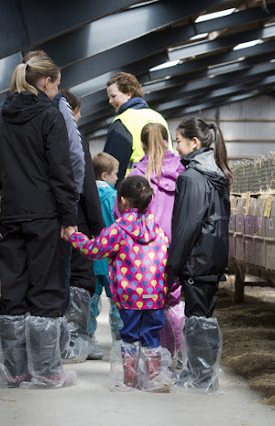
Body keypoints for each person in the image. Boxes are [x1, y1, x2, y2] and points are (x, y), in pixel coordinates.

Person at [0, 50, 77, 389]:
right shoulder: (49, 117)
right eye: (56, 86)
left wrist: (14, 189)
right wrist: (68, 216)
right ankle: (48, 371)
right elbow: (61, 172)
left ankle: (16, 371)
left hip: (11, 214)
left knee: (13, 289)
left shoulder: (0, 118)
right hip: (45, 215)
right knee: (46, 289)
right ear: (46, 81)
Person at [65, 176, 172, 392]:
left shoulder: (118, 230)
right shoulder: (158, 231)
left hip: (130, 296)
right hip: (154, 296)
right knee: (152, 336)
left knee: (130, 336)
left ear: (123, 201)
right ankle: (154, 380)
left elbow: (94, 250)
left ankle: (130, 381)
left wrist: (74, 237)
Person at [167, 117, 233, 394]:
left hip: (196, 260)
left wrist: (172, 267)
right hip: (210, 258)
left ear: (194, 142)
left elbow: (186, 228)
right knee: (200, 317)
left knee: (197, 319)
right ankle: (197, 373)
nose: (176, 147)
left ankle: (202, 379)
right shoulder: (215, 173)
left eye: (179, 141)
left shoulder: (192, 177)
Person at [118, 122, 185, 363]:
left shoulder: (136, 175)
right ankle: (178, 356)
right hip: (173, 247)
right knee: (173, 301)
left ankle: (154, 359)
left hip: (141, 252)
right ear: (168, 140)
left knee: (146, 304)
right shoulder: (181, 170)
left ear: (142, 145)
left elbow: (121, 212)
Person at [53, 90, 105, 363]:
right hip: (76, 217)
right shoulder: (74, 136)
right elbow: (86, 185)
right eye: (78, 110)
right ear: (70, 109)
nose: (81, 115)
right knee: (80, 277)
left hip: (47, 218)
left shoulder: (40, 131)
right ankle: (75, 342)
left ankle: (52, 344)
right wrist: (96, 224)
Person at [103, 72, 172, 184]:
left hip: (134, 190)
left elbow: (109, 165)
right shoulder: (159, 118)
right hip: (164, 186)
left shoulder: (122, 122)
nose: (110, 101)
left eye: (113, 96)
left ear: (129, 94)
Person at [88, 152, 124, 346]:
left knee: (91, 302)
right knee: (117, 301)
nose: (117, 178)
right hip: (112, 260)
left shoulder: (86, 196)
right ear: (104, 175)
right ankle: (119, 340)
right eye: (115, 174)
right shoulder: (114, 198)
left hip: (92, 258)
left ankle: (88, 339)